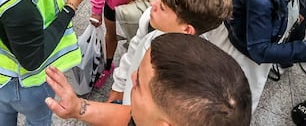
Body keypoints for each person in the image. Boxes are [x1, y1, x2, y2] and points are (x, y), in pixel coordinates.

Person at [46, 33, 252, 126]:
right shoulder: (156, 117)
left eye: (139, 84)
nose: (132, 76)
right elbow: (130, 116)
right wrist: (79, 108)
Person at [109, 0, 233, 104]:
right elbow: (133, 52)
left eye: (162, 7)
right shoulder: (149, 20)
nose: (152, 4)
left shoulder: (192, 71)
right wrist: (119, 87)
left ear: (186, 30)